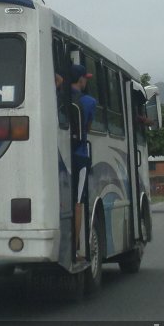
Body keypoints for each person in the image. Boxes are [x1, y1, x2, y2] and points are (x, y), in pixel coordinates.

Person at [68, 64, 97, 258]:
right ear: (80, 80)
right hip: (80, 154)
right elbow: (88, 126)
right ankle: (76, 247)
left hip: (62, 154)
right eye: (85, 78)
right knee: (78, 202)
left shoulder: (57, 97)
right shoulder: (89, 101)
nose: (86, 81)